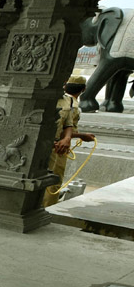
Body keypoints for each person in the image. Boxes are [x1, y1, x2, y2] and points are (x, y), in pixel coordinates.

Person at [45, 74, 95, 206]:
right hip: (47, 146)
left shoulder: (68, 102)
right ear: (83, 89)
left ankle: (47, 209)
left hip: (58, 146)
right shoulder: (45, 98)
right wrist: (80, 136)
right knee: (50, 184)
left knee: (53, 183)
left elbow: (67, 125)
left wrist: (67, 138)